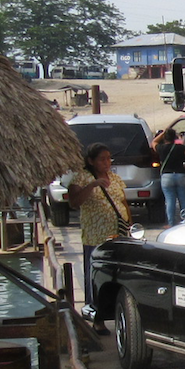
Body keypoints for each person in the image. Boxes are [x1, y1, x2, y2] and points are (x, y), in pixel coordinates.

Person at [66, 141, 128, 330]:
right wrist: (92, 185)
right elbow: (74, 202)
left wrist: (129, 226)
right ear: (91, 161)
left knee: (118, 276)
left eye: (109, 158)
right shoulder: (81, 178)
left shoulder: (115, 178)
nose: (107, 162)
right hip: (95, 238)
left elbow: (123, 202)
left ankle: (118, 314)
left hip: (118, 236)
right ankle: (97, 318)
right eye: (102, 159)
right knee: (95, 277)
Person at [155, 127, 185, 225]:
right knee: (183, 199)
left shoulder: (161, 148)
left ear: (165, 138)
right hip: (180, 174)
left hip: (167, 176)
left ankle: (171, 223)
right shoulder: (180, 148)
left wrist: (163, 133)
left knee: (170, 200)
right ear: (174, 138)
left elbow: (153, 142)